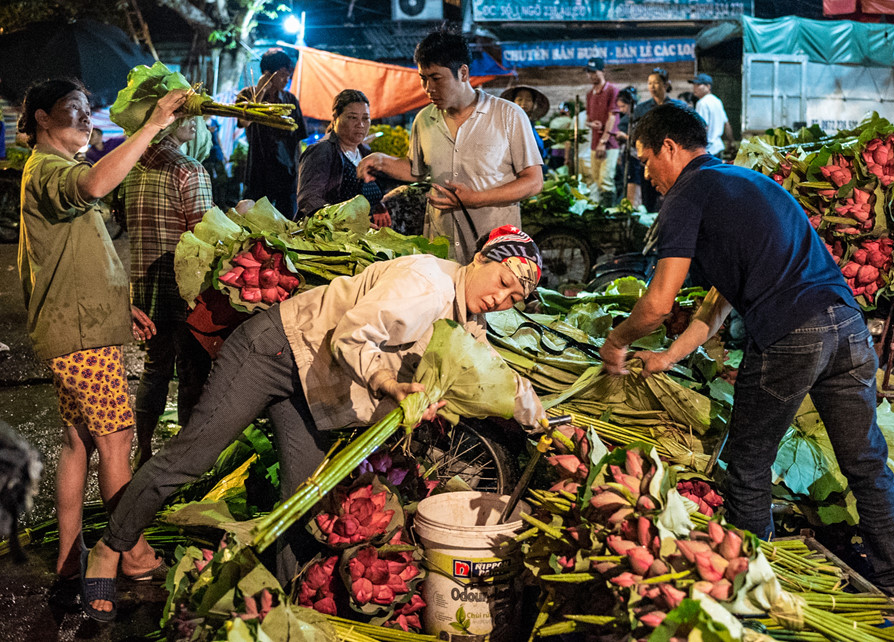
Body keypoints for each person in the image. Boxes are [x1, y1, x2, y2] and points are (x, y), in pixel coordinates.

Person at [81, 225, 547, 618]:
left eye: (514, 297)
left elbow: (490, 373)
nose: (501, 298)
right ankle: (109, 548)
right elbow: (352, 336)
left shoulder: (465, 318)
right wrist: (390, 385)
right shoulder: (427, 284)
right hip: (274, 351)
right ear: (484, 257)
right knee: (193, 456)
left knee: (303, 495)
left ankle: (277, 604)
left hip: (311, 383)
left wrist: (542, 421)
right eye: (503, 281)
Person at [598, 103, 894, 610]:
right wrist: (670, 357)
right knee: (865, 461)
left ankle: (754, 592)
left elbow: (658, 304)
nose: (647, 174)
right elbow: (720, 300)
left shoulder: (687, 194)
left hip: (793, 334)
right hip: (847, 327)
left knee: (747, 467)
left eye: (645, 160)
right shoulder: (747, 184)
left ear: (670, 149)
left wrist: (617, 342)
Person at [17, 79, 185, 605]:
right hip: (81, 337)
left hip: (80, 325)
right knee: (116, 442)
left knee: (80, 443)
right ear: (42, 118)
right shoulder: (49, 171)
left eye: (89, 111)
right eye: (73, 110)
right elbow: (92, 187)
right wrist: (154, 124)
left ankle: (71, 557)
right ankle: (130, 553)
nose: (86, 119)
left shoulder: (54, 170)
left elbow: (80, 255)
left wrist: (120, 306)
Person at [357, 29, 543, 265]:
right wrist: (381, 161)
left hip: (493, 253)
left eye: (436, 78)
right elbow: (416, 169)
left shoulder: (508, 115)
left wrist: (476, 199)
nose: (428, 88)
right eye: (423, 78)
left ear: (463, 72)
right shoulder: (424, 119)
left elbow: (533, 181)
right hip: (441, 249)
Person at [119, 116, 214, 469]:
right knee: (193, 371)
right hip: (185, 285)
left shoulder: (130, 166)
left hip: (144, 282)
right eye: (186, 116)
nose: (194, 123)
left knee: (155, 367)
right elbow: (207, 233)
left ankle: (142, 452)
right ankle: (186, 461)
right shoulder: (189, 169)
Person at [237, 48, 308, 219]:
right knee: (255, 223)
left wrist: (300, 171)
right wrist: (260, 91)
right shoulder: (247, 95)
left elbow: (297, 139)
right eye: (282, 74)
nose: (286, 80)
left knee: (287, 222)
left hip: (287, 173)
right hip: (259, 173)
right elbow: (243, 122)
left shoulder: (290, 101)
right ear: (268, 74)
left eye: (288, 75)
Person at [297, 89, 385, 221]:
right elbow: (309, 199)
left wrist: (379, 207)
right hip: (330, 236)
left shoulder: (365, 152)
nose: (360, 124)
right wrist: (341, 222)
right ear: (335, 118)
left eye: (365, 118)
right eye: (352, 117)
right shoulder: (322, 151)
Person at [634, 68, 688, 213]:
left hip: (672, 162)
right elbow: (634, 133)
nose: (652, 86)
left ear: (665, 84)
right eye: (649, 83)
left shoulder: (678, 107)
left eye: (656, 82)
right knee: (648, 201)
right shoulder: (641, 109)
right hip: (650, 161)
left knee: (673, 199)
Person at [584, 57, 619, 207]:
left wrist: (603, 141)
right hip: (593, 143)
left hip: (609, 144)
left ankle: (610, 214)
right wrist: (592, 124)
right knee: (597, 180)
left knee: (606, 180)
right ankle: (601, 215)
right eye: (589, 72)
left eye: (594, 72)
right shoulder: (589, 94)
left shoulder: (612, 90)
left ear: (603, 71)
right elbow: (587, 119)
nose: (592, 75)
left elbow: (613, 116)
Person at [689, 73, 735, 158]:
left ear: (708, 87)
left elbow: (702, 127)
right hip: (718, 147)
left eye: (698, 84)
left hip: (708, 150)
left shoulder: (702, 103)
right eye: (694, 84)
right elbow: (726, 123)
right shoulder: (717, 101)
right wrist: (731, 142)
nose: (695, 87)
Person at [501, 85, 549, 162]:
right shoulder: (506, 124)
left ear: (533, 104)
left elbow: (539, 150)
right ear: (512, 102)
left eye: (528, 100)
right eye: (520, 99)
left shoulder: (530, 124)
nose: (524, 103)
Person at [614, 86, 642, 209]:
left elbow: (639, 140)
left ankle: (633, 208)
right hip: (627, 155)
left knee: (633, 184)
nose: (621, 110)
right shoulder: (625, 118)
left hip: (635, 157)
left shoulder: (638, 117)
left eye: (623, 106)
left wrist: (624, 137)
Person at [546, 101, 574, 171]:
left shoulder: (553, 121)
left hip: (554, 150)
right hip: (565, 151)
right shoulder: (570, 121)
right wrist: (567, 158)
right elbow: (569, 139)